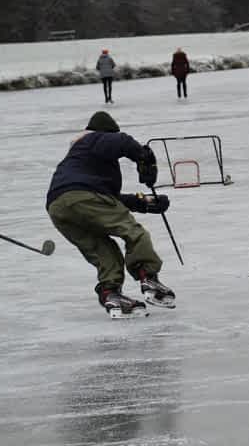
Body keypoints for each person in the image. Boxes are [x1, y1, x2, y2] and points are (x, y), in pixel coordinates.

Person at [46, 111, 176, 319]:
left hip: (58, 206)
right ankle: (148, 277)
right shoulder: (94, 139)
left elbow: (109, 199)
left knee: (103, 249)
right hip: (84, 196)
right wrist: (144, 157)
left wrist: (145, 202)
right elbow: (122, 141)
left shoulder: (82, 159)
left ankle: (111, 293)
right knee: (133, 232)